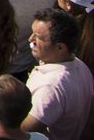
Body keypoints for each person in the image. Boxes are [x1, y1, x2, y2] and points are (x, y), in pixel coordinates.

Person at [25, 8, 93, 140]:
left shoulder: (51, 87)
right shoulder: (79, 65)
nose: (30, 39)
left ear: (60, 47)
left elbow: (23, 129)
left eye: (38, 37)